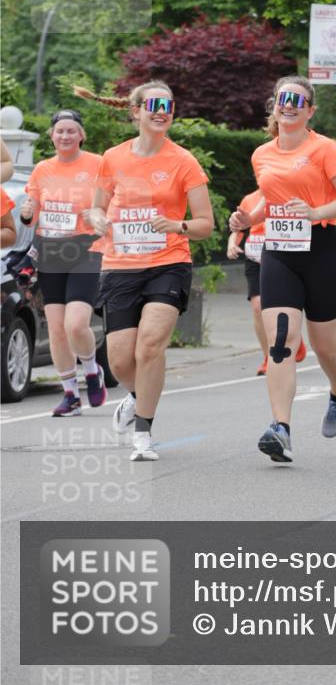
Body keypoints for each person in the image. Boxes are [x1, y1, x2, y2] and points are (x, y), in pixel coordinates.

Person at [77, 82, 214, 459]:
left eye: (168, 104)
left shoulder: (183, 161)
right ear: (135, 111)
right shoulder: (113, 158)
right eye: (153, 104)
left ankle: (143, 434)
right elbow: (95, 207)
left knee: (150, 345)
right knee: (121, 359)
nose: (162, 110)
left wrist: (177, 226)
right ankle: (137, 397)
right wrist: (98, 219)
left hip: (168, 263)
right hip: (121, 265)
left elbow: (205, 223)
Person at [229, 75, 336, 464]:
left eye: (298, 100)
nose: (289, 105)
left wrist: (317, 212)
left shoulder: (324, 149)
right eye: (283, 98)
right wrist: (246, 218)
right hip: (280, 252)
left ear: (310, 111)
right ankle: (280, 428)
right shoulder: (261, 154)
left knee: (324, 346)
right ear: (274, 105)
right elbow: (271, 202)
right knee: (281, 341)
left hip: (322, 250)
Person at [20, 109, 105, 417]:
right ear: (52, 136)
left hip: (86, 249)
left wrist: (97, 215)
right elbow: (30, 215)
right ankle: (70, 395)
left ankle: (92, 370)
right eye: (60, 131)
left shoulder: (97, 164)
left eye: (71, 131)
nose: (65, 136)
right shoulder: (42, 169)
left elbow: (114, 202)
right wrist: (27, 212)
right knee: (56, 328)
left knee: (76, 324)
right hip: (51, 252)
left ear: (81, 135)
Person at [227, 188, 306, 376]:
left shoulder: (285, 194)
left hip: (278, 256)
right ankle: (267, 356)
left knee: (282, 306)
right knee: (257, 307)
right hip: (254, 258)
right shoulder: (249, 199)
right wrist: (232, 244)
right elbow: (238, 230)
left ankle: (293, 336)